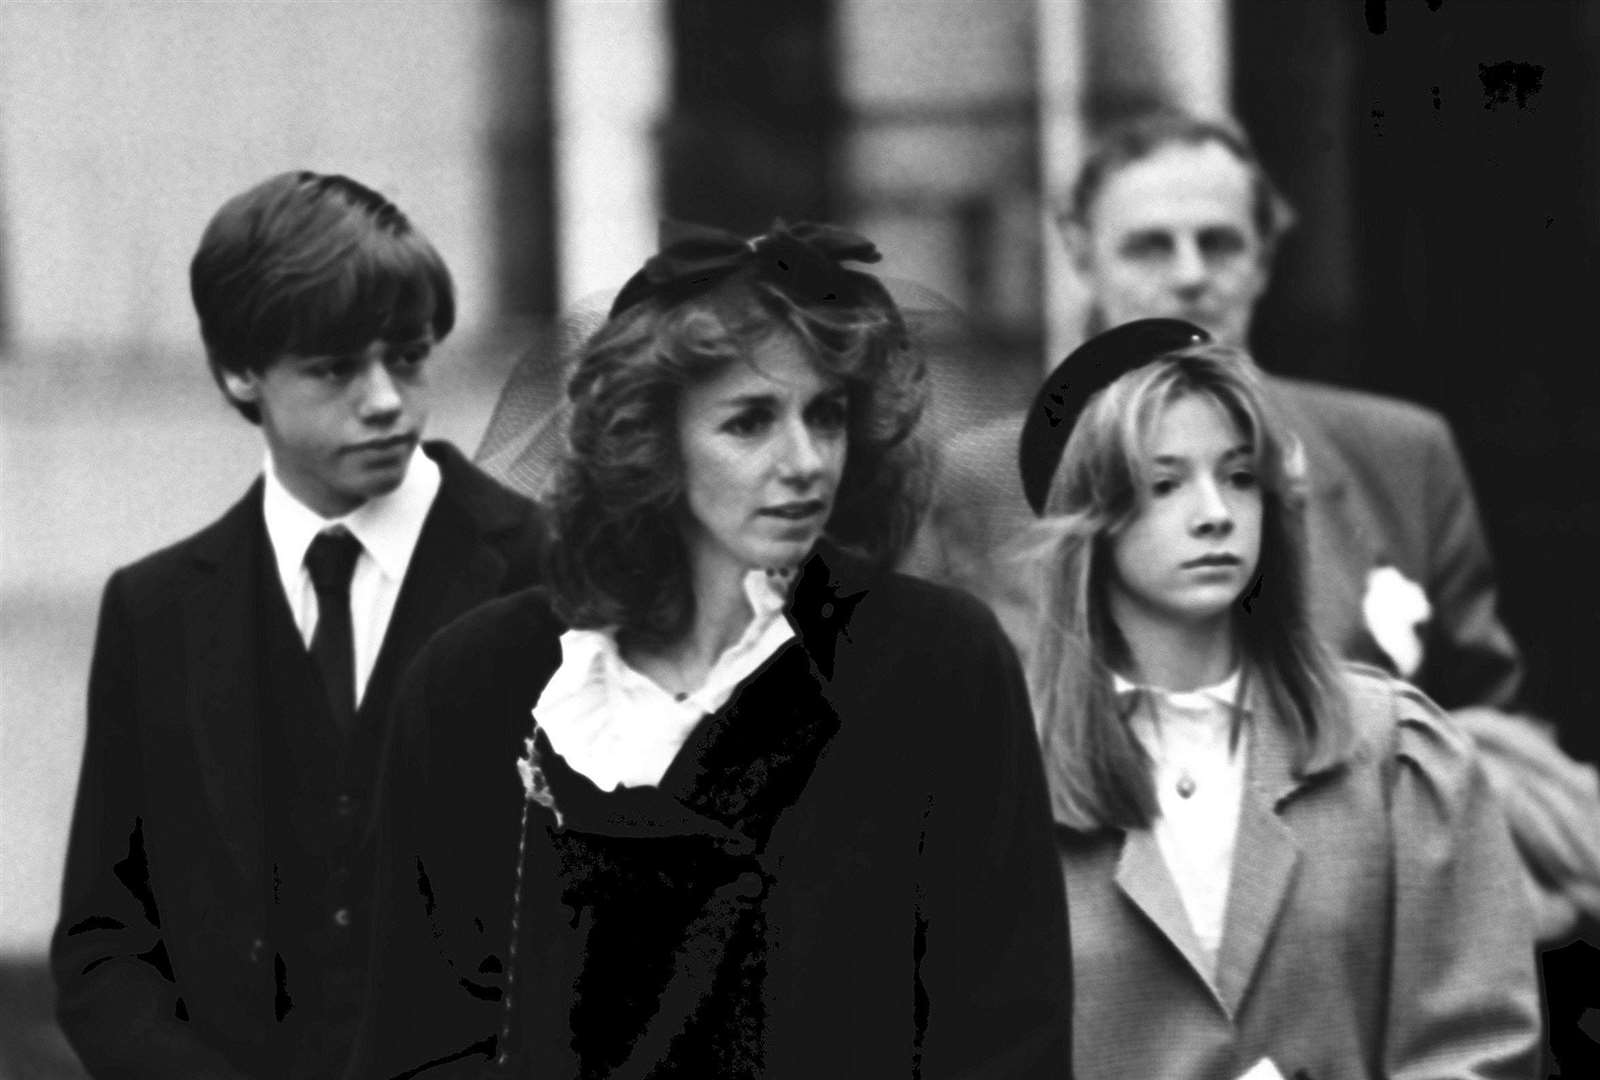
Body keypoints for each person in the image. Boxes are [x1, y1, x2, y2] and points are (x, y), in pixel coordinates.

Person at [352, 221, 1072, 1078]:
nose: (805, 461)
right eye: (750, 422)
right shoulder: (480, 683)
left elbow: (1004, 1032)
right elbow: (422, 1039)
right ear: (651, 440)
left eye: (828, 415)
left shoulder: (936, 664)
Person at [909, 108, 1600, 942]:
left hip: (1364, 930)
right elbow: (943, 746)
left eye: (1221, 243)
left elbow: (1481, 724)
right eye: (1151, 246)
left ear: (1266, 256)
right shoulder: (981, 480)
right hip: (1097, 929)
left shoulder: (1397, 453)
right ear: (1081, 252)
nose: (1191, 274)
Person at [50, 171, 545, 1078]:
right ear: (242, 371)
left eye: (407, 356)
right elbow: (102, 945)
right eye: (335, 369)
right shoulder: (154, 612)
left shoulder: (553, 574)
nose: (387, 398)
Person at [1013, 319, 1539, 1080]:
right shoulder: (1005, 773)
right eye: (1165, 484)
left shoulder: (1394, 750)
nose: (1215, 513)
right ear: (1091, 519)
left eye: (1237, 476)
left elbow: (1478, 1048)